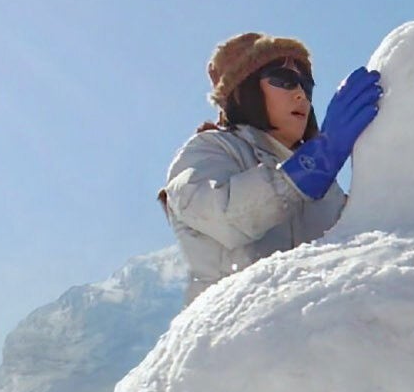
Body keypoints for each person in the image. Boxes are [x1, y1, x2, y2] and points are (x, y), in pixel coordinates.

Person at [161, 33, 382, 304]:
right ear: (245, 89)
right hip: (233, 337)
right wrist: (312, 165)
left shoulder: (328, 190)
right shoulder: (208, 151)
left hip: (312, 335)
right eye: (284, 81)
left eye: (306, 85)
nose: (301, 94)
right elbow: (223, 216)